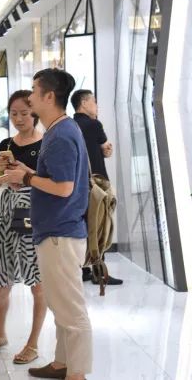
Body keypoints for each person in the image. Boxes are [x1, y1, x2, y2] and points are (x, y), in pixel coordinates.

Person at [2, 69, 92, 380]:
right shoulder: (59, 130)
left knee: (71, 309)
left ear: (49, 96)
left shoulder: (61, 134)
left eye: (34, 90)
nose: (30, 97)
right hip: (56, 231)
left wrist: (27, 177)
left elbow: (64, 187)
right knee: (61, 304)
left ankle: (76, 373)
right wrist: (26, 172)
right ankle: (62, 363)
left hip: (60, 233)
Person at [0, 90, 47, 365]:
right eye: (14, 113)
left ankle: (33, 343)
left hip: (32, 210)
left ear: (35, 113)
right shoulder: (6, 143)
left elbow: (52, 182)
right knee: (3, 275)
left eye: (24, 113)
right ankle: (0, 334)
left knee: (36, 278)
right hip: (8, 211)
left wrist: (26, 173)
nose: (18, 119)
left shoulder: (46, 143)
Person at [71, 89, 123, 286]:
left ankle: (83, 270)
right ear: (84, 103)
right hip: (97, 184)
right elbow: (105, 147)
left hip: (76, 184)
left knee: (83, 226)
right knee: (100, 227)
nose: (96, 106)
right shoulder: (94, 124)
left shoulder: (71, 125)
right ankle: (99, 273)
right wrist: (106, 150)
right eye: (94, 101)